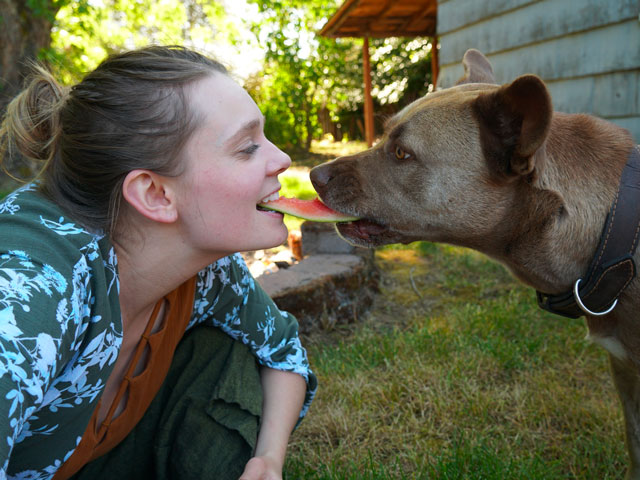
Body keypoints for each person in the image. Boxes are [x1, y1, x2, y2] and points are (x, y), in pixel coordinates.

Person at [0, 45, 317, 480]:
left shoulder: (208, 271)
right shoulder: (29, 293)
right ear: (155, 194)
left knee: (226, 349)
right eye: (247, 148)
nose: (281, 159)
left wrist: (268, 461)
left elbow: (283, 352)